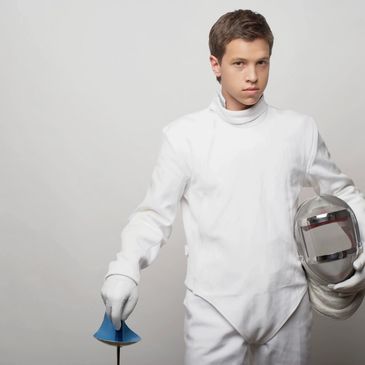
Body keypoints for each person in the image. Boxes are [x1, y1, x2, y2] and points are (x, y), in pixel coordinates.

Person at [101, 9, 365, 365]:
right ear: (215, 64)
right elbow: (153, 216)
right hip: (214, 307)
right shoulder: (184, 137)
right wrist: (124, 268)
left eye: (262, 63)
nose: (253, 76)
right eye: (239, 63)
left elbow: (344, 194)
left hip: (287, 304)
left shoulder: (299, 130)